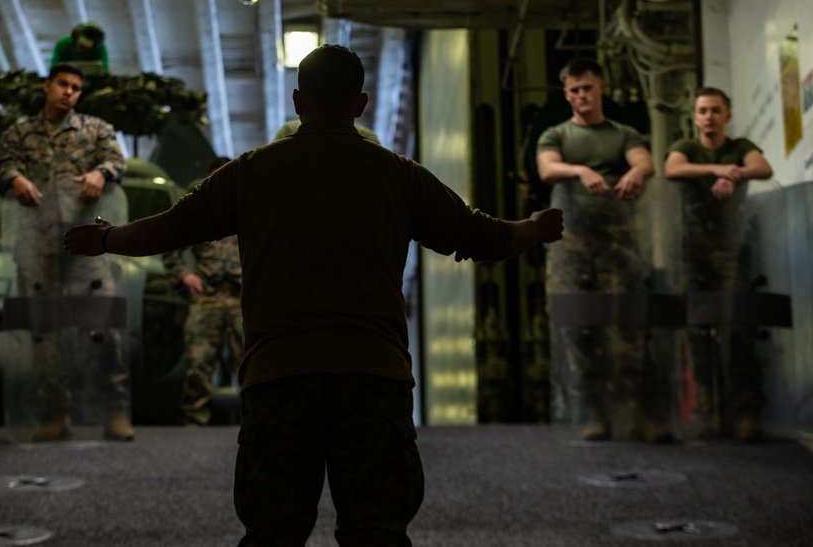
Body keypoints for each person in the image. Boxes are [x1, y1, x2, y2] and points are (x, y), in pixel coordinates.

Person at [64, 44, 564, 546]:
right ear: (361, 104)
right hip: (373, 376)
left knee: (274, 532)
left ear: (298, 102)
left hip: (279, 376)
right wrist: (534, 228)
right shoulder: (399, 175)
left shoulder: (250, 172)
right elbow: (482, 237)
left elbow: (169, 230)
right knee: (377, 532)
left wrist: (106, 238)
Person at [0, 62, 133, 442]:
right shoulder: (20, 132)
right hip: (37, 246)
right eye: (63, 84)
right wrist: (16, 178)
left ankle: (114, 410)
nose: (69, 91)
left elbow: (117, 160)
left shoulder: (95, 129)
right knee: (44, 333)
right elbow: (2, 166)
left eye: (75, 87)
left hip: (87, 245)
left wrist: (99, 174)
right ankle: (55, 414)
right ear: (47, 86)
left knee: (103, 324)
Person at [536, 56, 671, 443]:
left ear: (601, 88)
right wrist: (579, 170)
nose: (582, 95)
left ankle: (643, 414)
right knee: (581, 329)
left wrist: (635, 172)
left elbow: (644, 161)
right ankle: (595, 414)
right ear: (566, 94)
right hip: (573, 245)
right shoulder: (556, 135)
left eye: (588, 88)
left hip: (619, 241)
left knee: (630, 325)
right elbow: (547, 168)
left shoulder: (623, 133)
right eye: (574, 90)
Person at [663, 86, 773, 443]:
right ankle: (710, 414)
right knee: (698, 334)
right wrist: (719, 169)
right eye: (702, 110)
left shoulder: (739, 147)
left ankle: (748, 412)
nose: (708, 116)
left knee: (738, 331)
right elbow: (672, 169)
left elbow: (763, 167)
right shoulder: (687, 148)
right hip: (692, 254)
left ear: (727, 114)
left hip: (731, 253)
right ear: (694, 117)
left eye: (715, 110)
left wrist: (735, 174)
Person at [163, 156, 244, 426]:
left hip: (241, 299)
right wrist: (185, 276)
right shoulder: (200, 213)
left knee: (249, 365)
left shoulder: (248, 211)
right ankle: (194, 423)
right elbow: (170, 249)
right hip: (206, 297)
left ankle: (258, 424)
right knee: (198, 362)